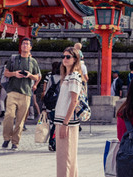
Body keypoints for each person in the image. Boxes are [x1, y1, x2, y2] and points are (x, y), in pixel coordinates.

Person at [1, 37, 40, 150]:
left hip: (26, 93)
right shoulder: (13, 58)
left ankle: (15, 142)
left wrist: (29, 75)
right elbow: (6, 73)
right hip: (12, 91)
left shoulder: (33, 61)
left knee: (20, 120)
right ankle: (6, 138)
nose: (24, 46)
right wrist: (14, 74)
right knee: (9, 116)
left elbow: (37, 76)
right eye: (23, 44)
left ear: (30, 47)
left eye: (27, 44)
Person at [53, 48, 85, 177]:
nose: (65, 59)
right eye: (63, 56)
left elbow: (74, 101)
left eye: (68, 57)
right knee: (67, 158)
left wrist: (65, 124)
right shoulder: (67, 77)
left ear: (75, 59)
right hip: (63, 121)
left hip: (67, 122)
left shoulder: (74, 77)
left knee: (65, 158)